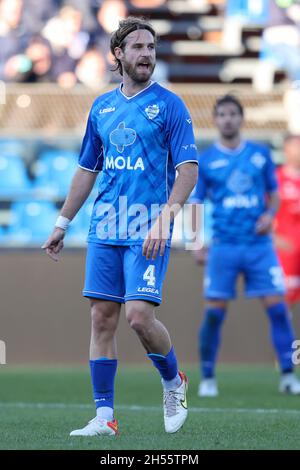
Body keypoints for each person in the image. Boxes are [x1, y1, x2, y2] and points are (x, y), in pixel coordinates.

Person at [42, 16, 198, 436]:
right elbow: (86, 170)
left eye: (151, 47)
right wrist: (62, 222)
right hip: (105, 225)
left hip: (148, 227)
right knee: (101, 318)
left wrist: (166, 219)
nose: (147, 54)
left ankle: (173, 381)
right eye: (138, 47)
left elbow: (187, 171)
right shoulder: (102, 108)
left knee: (139, 317)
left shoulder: (169, 105)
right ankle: (105, 416)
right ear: (119, 55)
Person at [190, 94, 300, 397]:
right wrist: (196, 244)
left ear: (241, 119)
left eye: (233, 114)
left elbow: (273, 194)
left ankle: (288, 375)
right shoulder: (207, 159)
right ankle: (208, 377)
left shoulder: (260, 155)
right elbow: (196, 203)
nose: (228, 119)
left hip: (259, 246)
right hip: (224, 247)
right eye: (222, 114)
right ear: (215, 120)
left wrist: (269, 214)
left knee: (278, 309)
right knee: (214, 313)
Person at [274, 134, 300, 307]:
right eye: (296, 147)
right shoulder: (276, 179)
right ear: (286, 150)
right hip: (286, 254)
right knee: (285, 304)